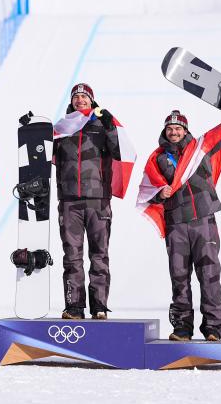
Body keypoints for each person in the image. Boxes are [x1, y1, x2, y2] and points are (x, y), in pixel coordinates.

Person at [136, 99, 221, 341]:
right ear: (165, 131)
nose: (174, 132)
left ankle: (213, 330)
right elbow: (146, 189)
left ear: (185, 131)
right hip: (176, 224)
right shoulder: (156, 159)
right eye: (170, 129)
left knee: (209, 275)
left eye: (178, 128)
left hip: (203, 221)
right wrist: (159, 193)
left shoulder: (202, 148)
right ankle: (182, 329)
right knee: (179, 277)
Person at [52, 83, 135, 320]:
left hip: (98, 201)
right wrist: (32, 131)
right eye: (76, 97)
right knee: (72, 256)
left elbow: (121, 152)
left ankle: (99, 306)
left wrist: (109, 126)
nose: (80, 100)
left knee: (99, 255)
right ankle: (74, 307)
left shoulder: (102, 125)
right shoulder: (62, 127)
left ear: (92, 100)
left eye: (84, 97)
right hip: (69, 202)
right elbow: (45, 153)